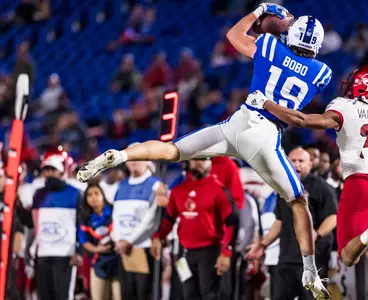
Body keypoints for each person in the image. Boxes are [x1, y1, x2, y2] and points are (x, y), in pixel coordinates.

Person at [78, 3, 332, 297]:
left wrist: (260, 11)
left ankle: (120, 155)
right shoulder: (321, 72)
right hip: (266, 135)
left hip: (239, 121)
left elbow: (234, 36)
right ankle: (311, 271)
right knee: (298, 201)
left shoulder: (270, 47)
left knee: (172, 151)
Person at [252, 64, 368, 289]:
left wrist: (266, 104)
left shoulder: (345, 108)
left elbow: (303, 120)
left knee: (348, 257)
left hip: (358, 185)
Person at [247, 147, 337, 299]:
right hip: (286, 258)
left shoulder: (322, 187)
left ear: (310, 164)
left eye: (301, 161)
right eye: (293, 161)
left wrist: (317, 233)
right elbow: (280, 221)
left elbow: (333, 217)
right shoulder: (283, 188)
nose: (297, 165)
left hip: (313, 260)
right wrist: (263, 244)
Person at [151, 158, 237, 299]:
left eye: (203, 159)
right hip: (185, 253)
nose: (198, 163)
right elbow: (169, 220)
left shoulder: (219, 190)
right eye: (195, 159)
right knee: (189, 295)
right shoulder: (178, 191)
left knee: (210, 296)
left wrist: (226, 252)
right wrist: (157, 237)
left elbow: (231, 223)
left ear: (210, 163)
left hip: (210, 252)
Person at [112, 159, 167, 300]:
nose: (134, 162)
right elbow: (115, 216)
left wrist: (129, 241)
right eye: (131, 160)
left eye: (138, 159)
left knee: (146, 294)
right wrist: (119, 240)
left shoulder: (156, 185)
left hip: (145, 249)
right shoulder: (121, 186)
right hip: (123, 250)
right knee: (127, 293)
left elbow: (151, 221)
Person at [32, 154, 82, 300]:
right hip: (43, 253)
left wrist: (78, 250)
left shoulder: (74, 193)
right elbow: (33, 223)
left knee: (63, 296)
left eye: (52, 170)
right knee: (45, 295)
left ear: (61, 172)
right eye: (46, 170)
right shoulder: (38, 194)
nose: (49, 173)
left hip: (65, 254)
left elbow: (81, 223)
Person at [78, 184, 120, 300]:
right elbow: (84, 241)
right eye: (90, 195)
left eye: (96, 193)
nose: (93, 197)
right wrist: (98, 249)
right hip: (98, 264)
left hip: (118, 262)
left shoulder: (114, 211)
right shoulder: (85, 217)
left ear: (103, 195)